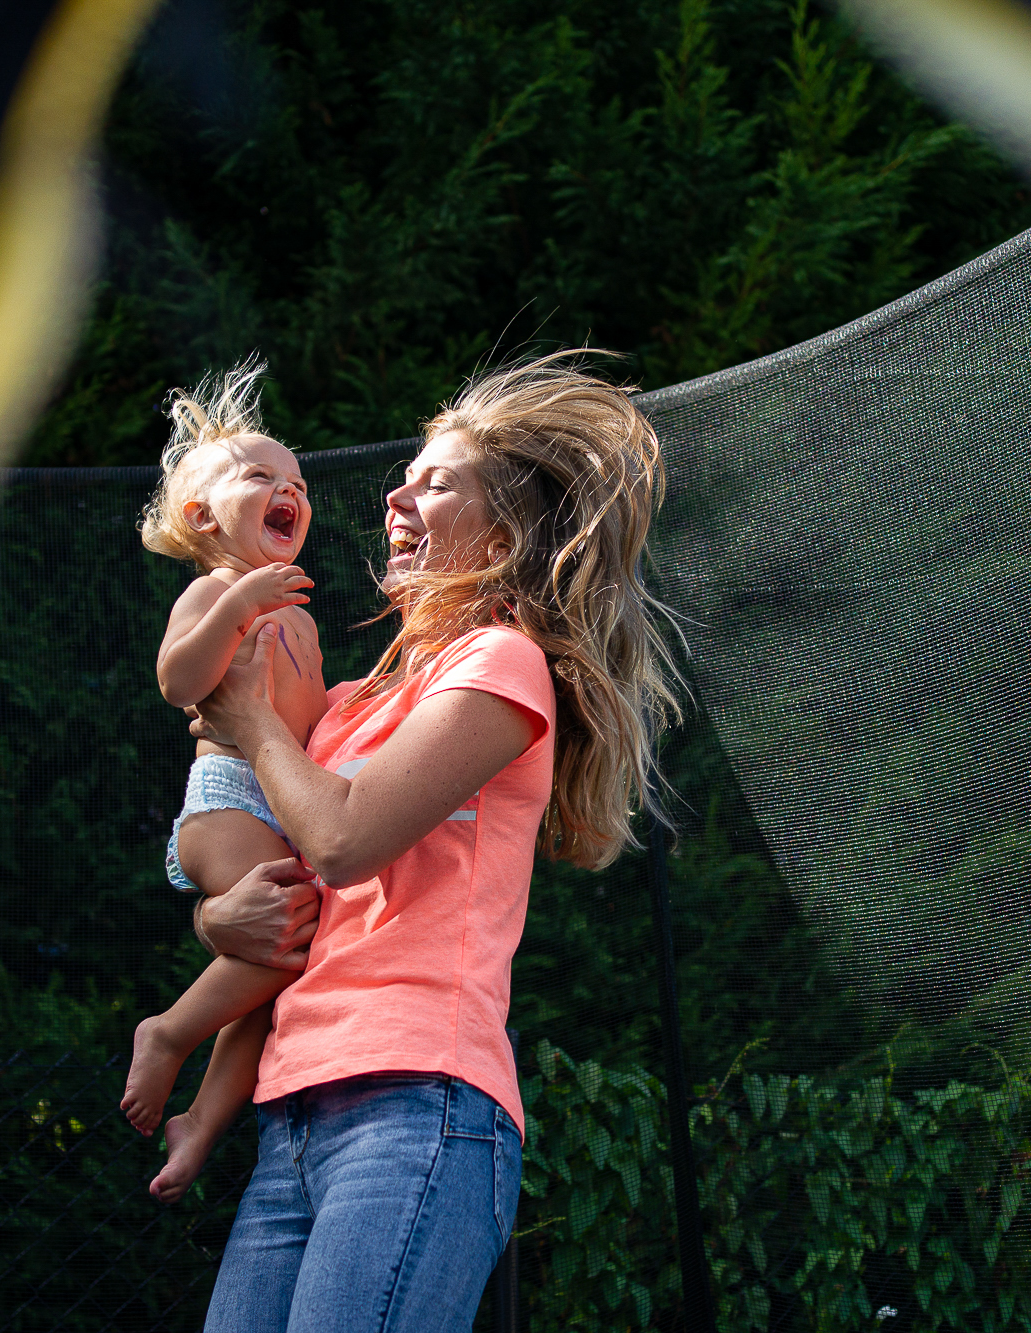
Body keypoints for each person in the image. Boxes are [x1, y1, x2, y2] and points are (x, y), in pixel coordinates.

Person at [185, 353, 681, 1333]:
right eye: (400, 479)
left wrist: (251, 723)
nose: (394, 497)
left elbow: (337, 839)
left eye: (433, 482)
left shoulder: (501, 663)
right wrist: (216, 910)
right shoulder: (342, 708)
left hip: (418, 1109)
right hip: (290, 1113)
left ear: (502, 528)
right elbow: (274, 875)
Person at [122, 360, 327, 1204]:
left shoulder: (305, 617)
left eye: (299, 483)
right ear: (202, 515)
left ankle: (202, 1121)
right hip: (228, 799)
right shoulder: (214, 592)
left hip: (283, 808)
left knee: (275, 971)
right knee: (287, 940)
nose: (290, 491)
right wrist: (242, 600)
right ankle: (167, 1032)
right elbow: (178, 680)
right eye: (261, 478)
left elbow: (314, 727)